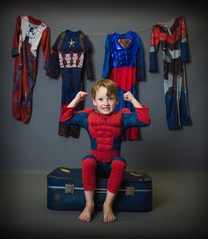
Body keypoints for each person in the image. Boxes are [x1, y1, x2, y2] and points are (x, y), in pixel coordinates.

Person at [60, 79, 151, 223]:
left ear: (117, 101)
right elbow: (65, 118)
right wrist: (76, 99)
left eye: (110, 98)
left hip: (113, 166)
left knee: (119, 163)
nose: (106, 103)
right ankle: (89, 204)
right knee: (87, 160)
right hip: (96, 165)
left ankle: (107, 204)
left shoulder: (122, 118)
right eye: (101, 99)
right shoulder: (88, 117)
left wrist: (133, 99)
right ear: (94, 102)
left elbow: (145, 120)